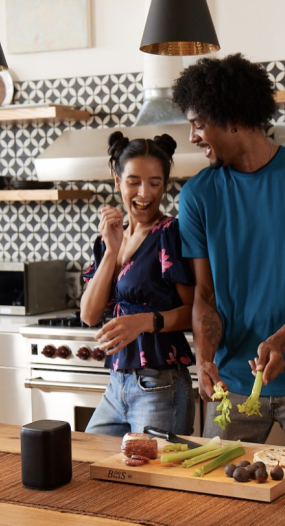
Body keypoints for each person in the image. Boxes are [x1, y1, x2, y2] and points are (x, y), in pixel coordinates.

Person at [173, 53, 285, 463]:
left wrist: (280, 340)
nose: (192, 137)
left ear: (233, 117)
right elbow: (205, 293)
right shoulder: (198, 195)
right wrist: (204, 358)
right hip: (233, 385)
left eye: (199, 123)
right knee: (217, 501)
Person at [80, 131, 195, 437]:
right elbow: (90, 315)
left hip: (160, 385)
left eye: (155, 183)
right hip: (117, 385)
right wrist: (112, 250)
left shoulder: (170, 234)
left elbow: (197, 310)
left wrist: (144, 322)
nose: (144, 193)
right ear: (117, 181)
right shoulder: (109, 239)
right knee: (87, 462)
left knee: (153, 482)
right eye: (133, 182)